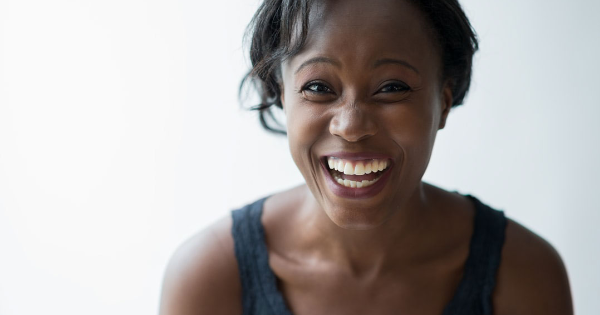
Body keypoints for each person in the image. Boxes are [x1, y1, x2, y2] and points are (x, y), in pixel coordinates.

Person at [159, 0, 573, 314]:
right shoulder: (211, 277)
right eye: (318, 87)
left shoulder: (522, 274)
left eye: (392, 87)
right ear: (281, 96)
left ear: (443, 102)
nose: (352, 126)